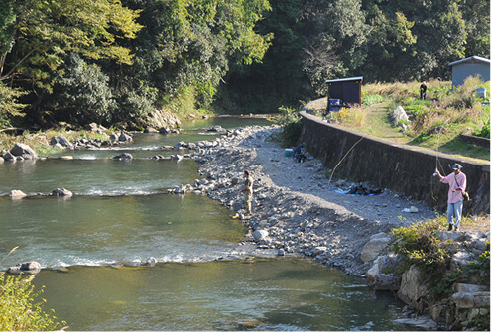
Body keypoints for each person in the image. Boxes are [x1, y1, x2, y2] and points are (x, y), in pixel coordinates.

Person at [435, 164, 467, 231]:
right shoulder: (452, 175)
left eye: (456, 170)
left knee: (457, 213)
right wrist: (438, 174)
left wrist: (456, 189)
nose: (454, 171)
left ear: (459, 169)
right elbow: (444, 179)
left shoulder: (463, 176)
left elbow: (463, 186)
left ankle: (457, 226)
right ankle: (450, 224)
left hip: (458, 197)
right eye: (453, 170)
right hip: (450, 197)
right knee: (449, 212)